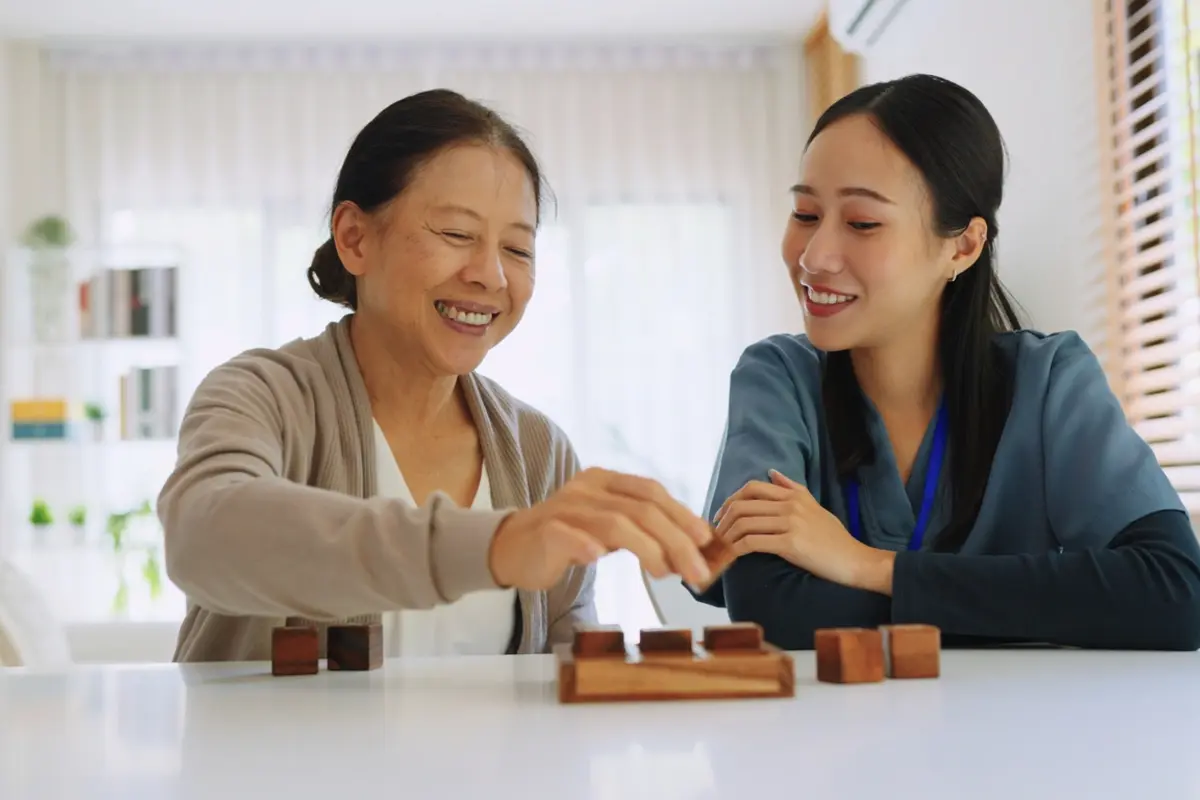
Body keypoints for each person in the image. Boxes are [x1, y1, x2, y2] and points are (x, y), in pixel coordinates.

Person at [159, 89, 714, 663]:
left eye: (517, 249)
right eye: (455, 234)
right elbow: (202, 538)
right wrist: (497, 546)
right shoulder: (264, 397)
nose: (491, 276)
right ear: (354, 238)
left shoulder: (539, 450)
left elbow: (565, 667)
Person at [690, 74, 1200, 651]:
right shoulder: (778, 378)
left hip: (1022, 737)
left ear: (962, 246)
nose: (813, 256)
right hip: (827, 739)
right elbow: (770, 608)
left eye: (862, 223)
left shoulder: (1050, 381)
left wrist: (864, 566)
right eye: (806, 214)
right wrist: (1041, 604)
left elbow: (1173, 592)